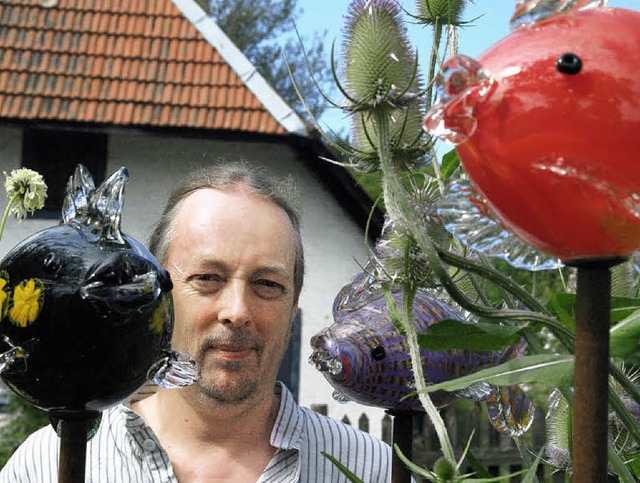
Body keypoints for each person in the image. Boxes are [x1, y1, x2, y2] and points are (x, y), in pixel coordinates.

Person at [0, 162, 392, 482]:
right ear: (159, 297)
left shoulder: (372, 470)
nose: (237, 310)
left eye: (267, 284)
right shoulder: (44, 466)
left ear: (293, 307)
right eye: (207, 278)